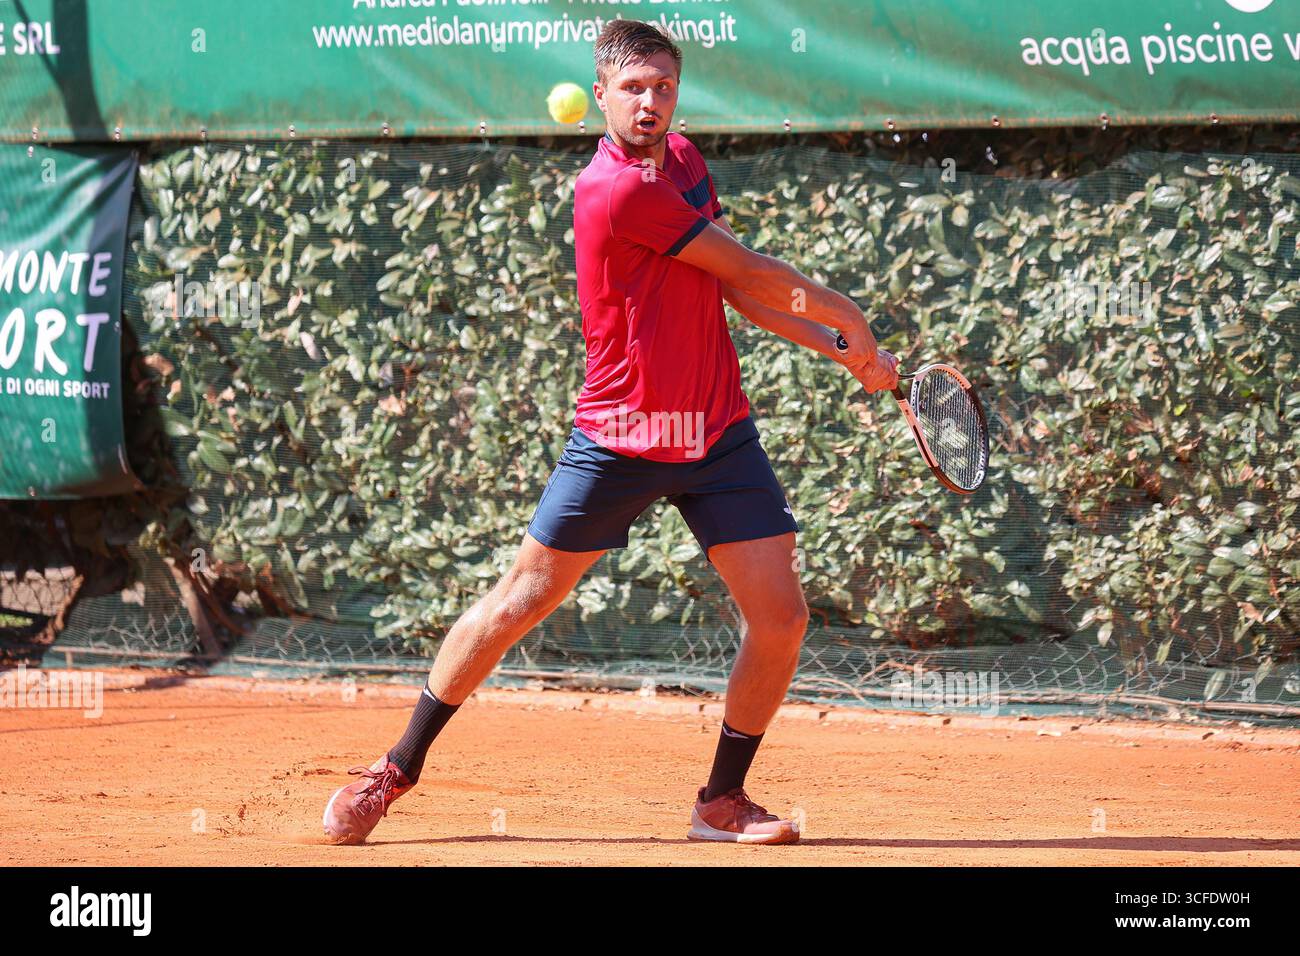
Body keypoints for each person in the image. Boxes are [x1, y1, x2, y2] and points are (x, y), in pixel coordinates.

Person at [323, 19, 898, 847]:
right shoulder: (614, 190)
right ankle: (393, 771)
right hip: (623, 435)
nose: (651, 102)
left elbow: (734, 289)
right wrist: (849, 317)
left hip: (716, 434)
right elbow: (753, 271)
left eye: (664, 86)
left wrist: (843, 351)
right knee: (520, 601)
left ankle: (721, 803)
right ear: (601, 94)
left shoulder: (687, 163)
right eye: (634, 88)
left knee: (781, 617)